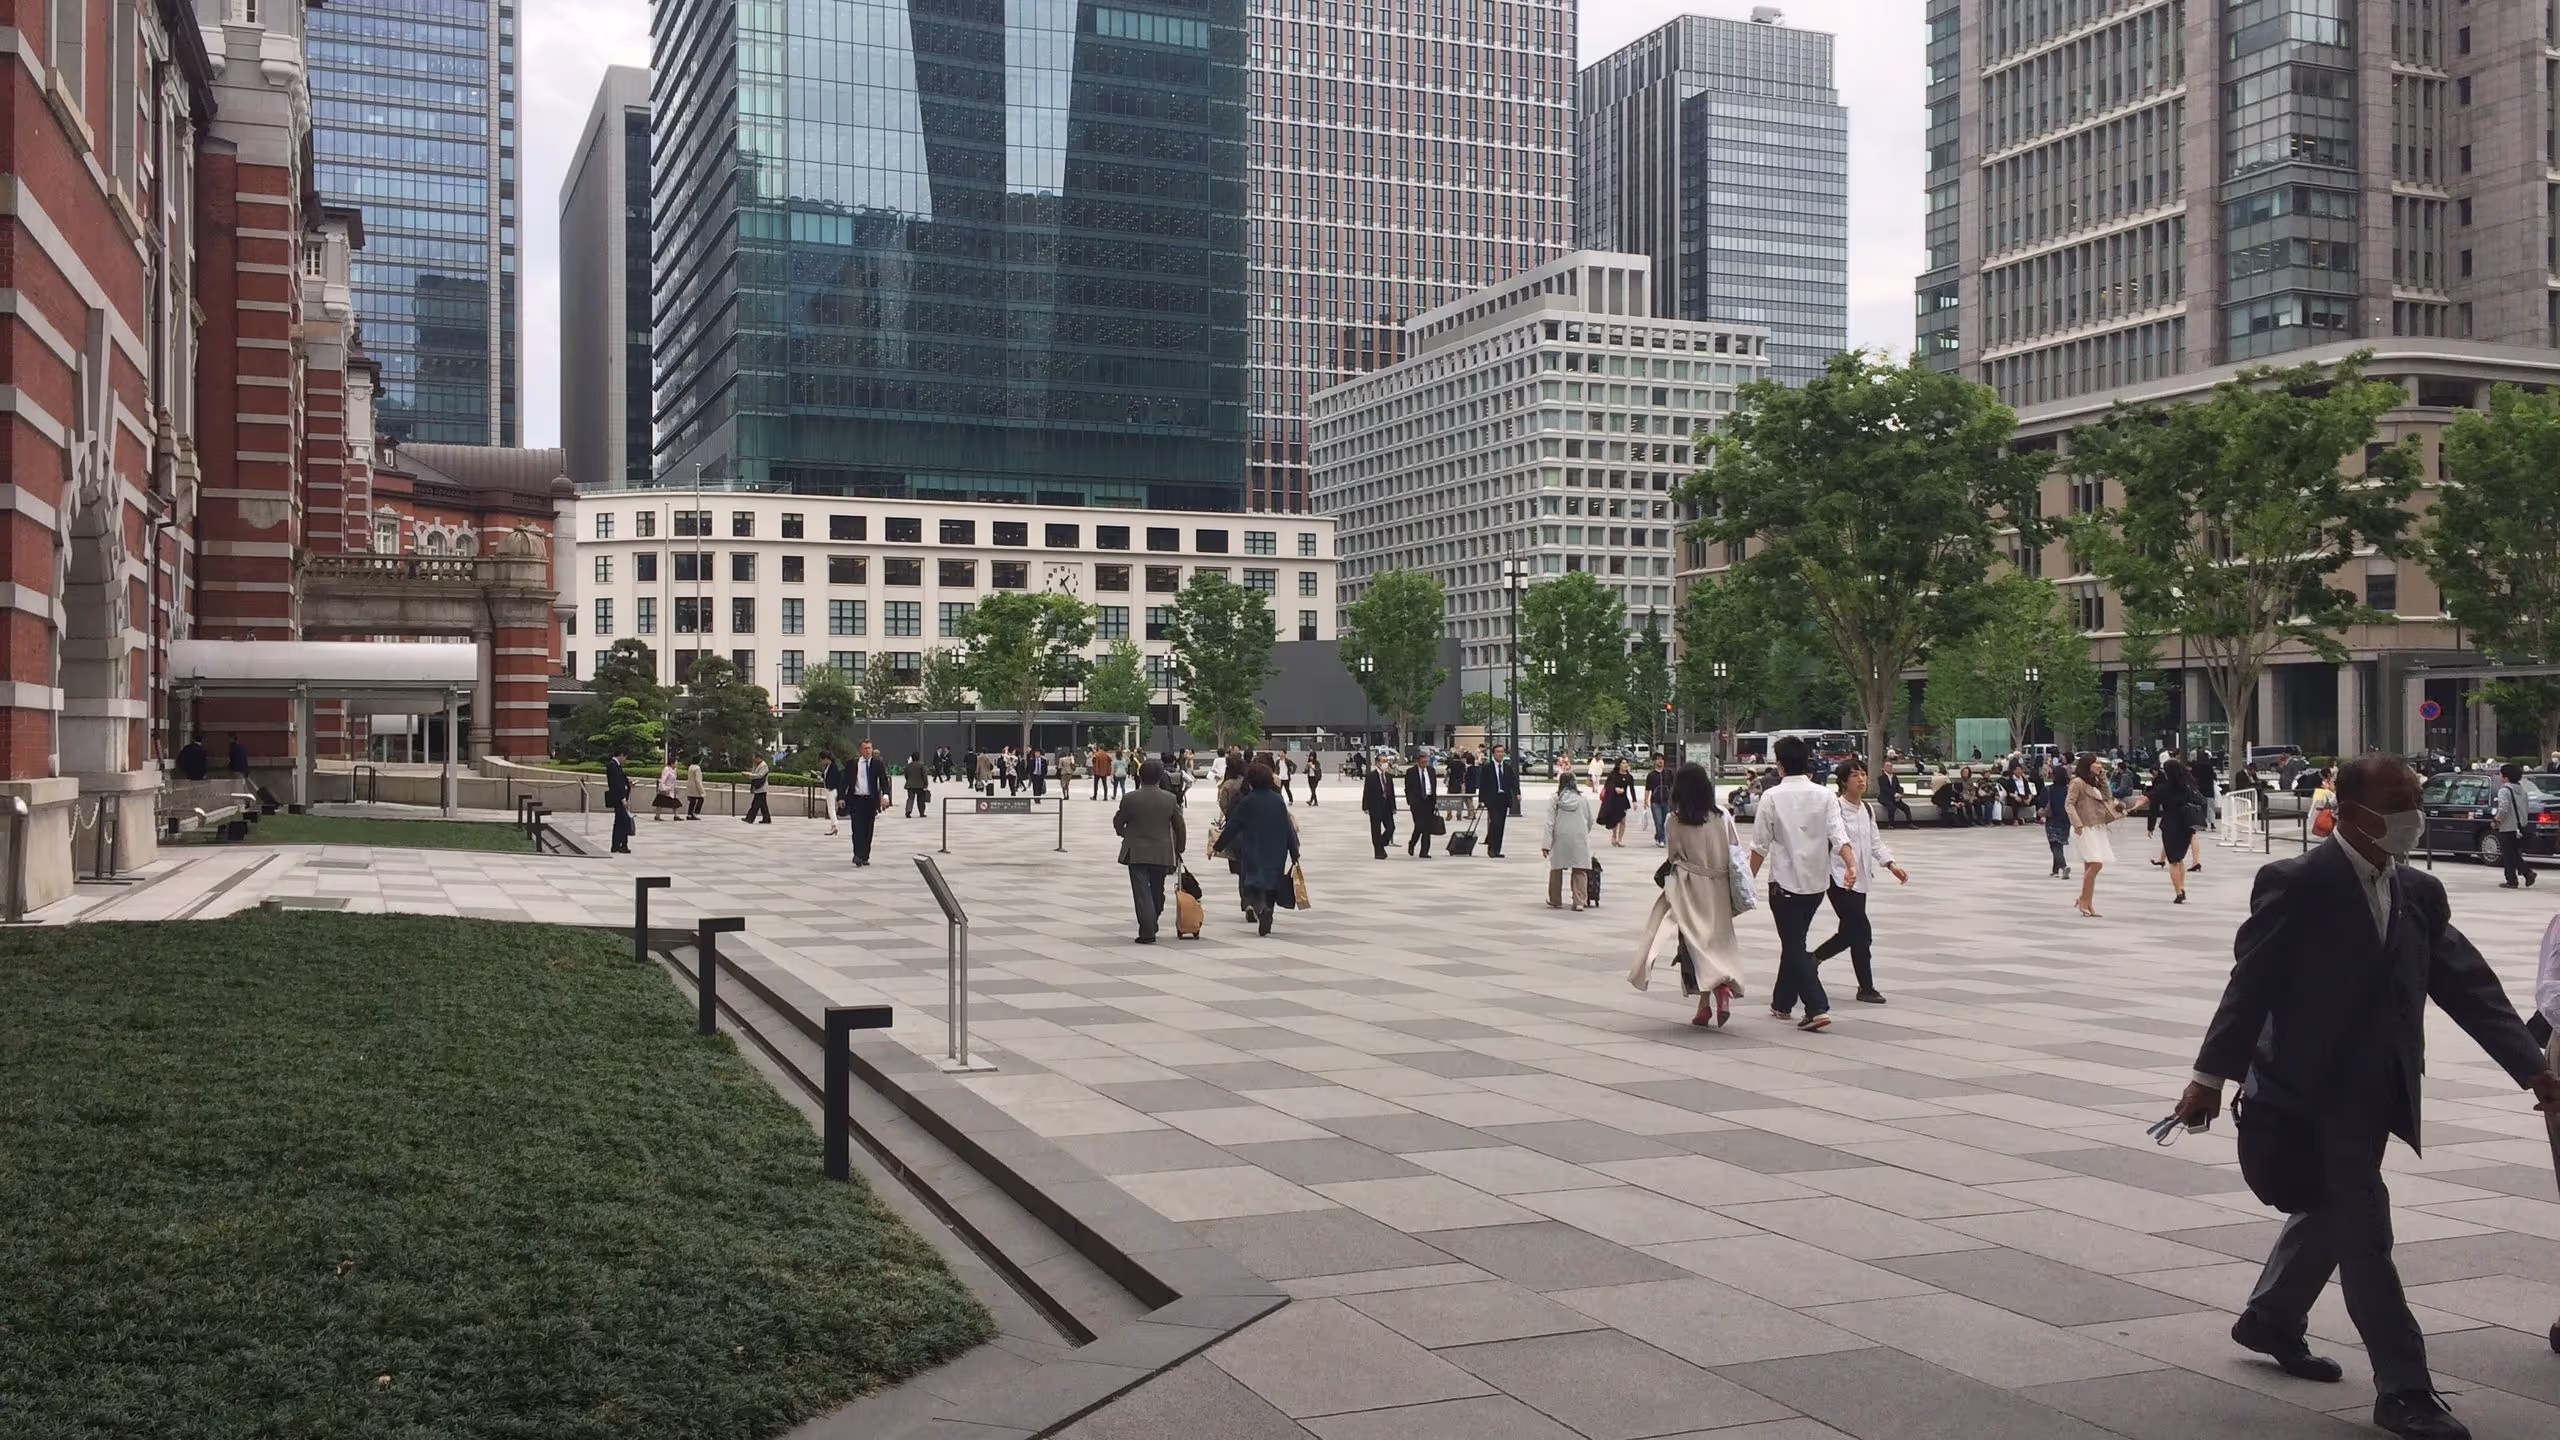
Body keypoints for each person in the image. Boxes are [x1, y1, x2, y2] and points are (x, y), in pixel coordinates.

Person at [2170, 756, 2560, 1440]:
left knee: (2330, 1211)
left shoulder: (2418, 890)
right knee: (2364, 1229)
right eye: (2398, 800)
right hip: (2305, 1090)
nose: (2414, 813)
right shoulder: (2298, 883)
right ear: (2350, 812)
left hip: (2378, 1090)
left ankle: (2270, 1317)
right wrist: (2208, 1078)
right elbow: (2250, 984)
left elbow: (2467, 984)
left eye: (2415, 797)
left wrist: (2533, 1069)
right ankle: (2404, 1390)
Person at [1748, 735, 1854, 1033]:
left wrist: (1743, 883)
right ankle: (1782, 1002)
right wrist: (1851, 864)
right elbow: (1839, 835)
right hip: (1816, 884)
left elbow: (1759, 847)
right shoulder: (1825, 795)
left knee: (1794, 944)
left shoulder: (1771, 797)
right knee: (1794, 940)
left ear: (1780, 766)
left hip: (1784, 884)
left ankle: (1816, 1006)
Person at [1632, 763, 1748, 1026]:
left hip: (1688, 887)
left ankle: (1713, 996)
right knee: (1717, 942)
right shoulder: (1722, 817)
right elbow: (1734, 851)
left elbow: (1673, 855)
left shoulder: (1674, 819)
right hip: (1718, 887)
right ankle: (1711, 999)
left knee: (1694, 944)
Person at [1811, 759, 1909, 1005]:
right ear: (1844, 781)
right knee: (1861, 932)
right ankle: (1866, 987)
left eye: (1864, 774)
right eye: (1855, 775)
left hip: (1861, 879)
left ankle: (1811, 960)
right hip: (1839, 878)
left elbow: (1875, 842)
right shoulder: (1835, 809)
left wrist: (1891, 864)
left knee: (1849, 933)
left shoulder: (1867, 809)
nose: (1861, 780)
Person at [1214, 763, 1299, 936]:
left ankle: (1261, 909)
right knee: (1272, 884)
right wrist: (1294, 850)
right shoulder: (1277, 800)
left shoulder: (1248, 801)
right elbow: (1287, 827)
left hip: (1254, 847)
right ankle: (1269, 912)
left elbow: (1233, 826)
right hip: (1277, 849)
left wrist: (1217, 846)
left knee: (1252, 885)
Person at [1113, 759, 1186, 943]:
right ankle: (1152, 918)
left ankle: (1147, 929)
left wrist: (1124, 833)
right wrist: (1180, 848)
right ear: (1160, 777)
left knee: (1141, 892)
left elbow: (1118, 821)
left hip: (1136, 851)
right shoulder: (1169, 799)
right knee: (1156, 889)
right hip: (1162, 850)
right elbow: (1180, 826)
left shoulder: (1130, 798)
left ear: (1140, 775)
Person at [2068, 754, 2138, 917]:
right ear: (2088, 765)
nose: (2099, 765)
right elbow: (2069, 804)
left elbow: (2107, 797)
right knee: (2096, 863)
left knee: (2090, 865)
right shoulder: (2077, 782)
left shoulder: (2096, 781)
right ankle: (2084, 900)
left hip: (2098, 825)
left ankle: (2087, 902)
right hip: (2084, 826)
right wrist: (2076, 823)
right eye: (2096, 763)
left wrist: (2103, 778)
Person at [2149, 758, 2204, 904]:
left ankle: (2178, 891)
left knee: (2173, 860)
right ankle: (2182, 887)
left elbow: (2154, 807)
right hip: (2186, 823)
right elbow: (2201, 801)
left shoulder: (2163, 788)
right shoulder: (2188, 786)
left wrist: (2150, 826)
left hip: (2169, 824)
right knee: (2179, 858)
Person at [1543, 770, 1597, 910]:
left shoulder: (1556, 799)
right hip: (1579, 836)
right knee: (1580, 869)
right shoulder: (1582, 799)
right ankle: (1579, 901)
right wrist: (1585, 832)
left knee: (1556, 869)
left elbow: (1550, 822)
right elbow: (1590, 820)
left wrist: (1546, 844)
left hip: (1560, 836)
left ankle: (1555, 899)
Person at [842, 741, 891, 866]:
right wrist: (841, 797)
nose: (868, 751)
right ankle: (858, 854)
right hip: (856, 799)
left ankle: (865, 856)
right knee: (857, 828)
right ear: (860, 750)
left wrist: (885, 796)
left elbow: (884, 781)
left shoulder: (877, 764)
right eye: (865, 748)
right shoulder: (852, 764)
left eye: (870, 748)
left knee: (868, 829)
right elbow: (844, 781)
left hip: (870, 800)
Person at [2494, 762, 2538, 889]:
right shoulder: (2522, 790)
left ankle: (2514, 879)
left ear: (2506, 777)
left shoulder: (2504, 790)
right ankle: (2525, 874)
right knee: (2513, 853)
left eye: (2500, 774)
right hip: (2520, 826)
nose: (2499, 776)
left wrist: (2497, 820)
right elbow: (2525, 808)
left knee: (2508, 854)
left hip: (2508, 826)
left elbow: (2503, 808)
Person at [1477, 744, 1519, 858]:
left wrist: (1517, 793)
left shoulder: (1507, 767)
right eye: (1498, 752)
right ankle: (1491, 849)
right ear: (1493, 754)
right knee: (1495, 822)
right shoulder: (1487, 768)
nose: (1500, 754)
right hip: (1492, 799)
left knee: (1500, 825)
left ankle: (1497, 850)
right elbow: (1483, 784)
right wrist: (1481, 800)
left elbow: (1513, 781)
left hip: (1503, 799)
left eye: (1502, 752)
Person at [1403, 747, 1442, 858]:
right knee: (1419, 825)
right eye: (1423, 761)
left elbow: (1433, 786)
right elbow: (1408, 788)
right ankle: (1412, 843)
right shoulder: (1411, 772)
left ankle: (1424, 851)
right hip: (1417, 802)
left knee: (1427, 828)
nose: (1425, 763)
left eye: (1427, 761)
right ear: (1418, 761)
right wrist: (1410, 801)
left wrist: (1434, 801)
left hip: (1429, 801)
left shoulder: (1431, 770)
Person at [2040, 758, 2074, 878]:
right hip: (2066, 820)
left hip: (2052, 820)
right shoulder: (2069, 790)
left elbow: (2042, 803)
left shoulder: (2048, 790)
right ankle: (2055, 870)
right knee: (2059, 845)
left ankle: (2064, 866)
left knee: (2055, 845)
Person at [1362, 754, 1400, 859]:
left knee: (1391, 827)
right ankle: (1378, 852)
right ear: (1378, 763)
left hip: (1387, 806)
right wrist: (1365, 806)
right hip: (1375, 806)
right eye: (1383, 761)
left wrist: (1393, 807)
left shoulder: (1388, 776)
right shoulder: (1371, 777)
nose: (1385, 763)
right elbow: (1366, 792)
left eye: (1386, 761)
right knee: (1376, 830)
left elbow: (1391, 792)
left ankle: (1381, 843)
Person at [604, 747, 635, 853]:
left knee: (620, 821)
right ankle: (621, 844)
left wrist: (628, 783)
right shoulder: (613, 766)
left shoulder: (616, 765)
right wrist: (623, 798)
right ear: (621, 755)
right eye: (625, 757)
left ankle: (617, 845)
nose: (625, 760)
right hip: (618, 798)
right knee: (623, 821)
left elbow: (621, 780)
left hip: (619, 797)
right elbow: (616, 784)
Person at [1598, 759, 1634, 846]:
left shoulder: (1629, 776)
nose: (1625, 765)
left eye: (1626, 763)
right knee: (1615, 819)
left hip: (1623, 800)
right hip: (1613, 799)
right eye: (1623, 763)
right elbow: (1607, 785)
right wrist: (1615, 789)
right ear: (1619, 765)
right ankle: (1614, 835)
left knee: (1623, 820)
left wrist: (1635, 801)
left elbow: (1632, 789)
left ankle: (1620, 839)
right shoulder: (1613, 775)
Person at [1875, 762, 1913, 828]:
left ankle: (1910, 823)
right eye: (1887, 766)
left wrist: (1900, 794)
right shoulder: (1881, 778)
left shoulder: (1894, 777)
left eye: (1891, 766)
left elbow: (1898, 787)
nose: (1889, 767)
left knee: (1906, 807)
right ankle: (1891, 824)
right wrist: (1895, 794)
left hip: (1895, 798)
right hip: (1885, 797)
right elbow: (1884, 789)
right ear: (1883, 768)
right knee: (1892, 807)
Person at [1645, 761, 1672, 846]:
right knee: (1658, 821)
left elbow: (1673, 786)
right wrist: (1645, 800)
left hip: (1666, 801)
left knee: (1664, 821)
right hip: (1655, 802)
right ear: (1654, 762)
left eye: (1662, 759)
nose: (1660, 761)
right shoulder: (1651, 775)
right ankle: (1662, 840)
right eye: (1658, 759)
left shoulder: (1668, 773)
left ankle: (1658, 835)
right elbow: (1647, 788)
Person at [741, 754, 773, 824]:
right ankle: (766, 819)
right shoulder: (757, 765)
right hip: (759, 788)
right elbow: (754, 774)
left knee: (755, 804)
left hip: (761, 788)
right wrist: (748, 774)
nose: (753, 760)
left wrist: (748, 775)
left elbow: (760, 775)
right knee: (763, 805)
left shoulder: (763, 765)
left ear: (758, 758)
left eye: (754, 758)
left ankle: (750, 818)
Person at [819, 750, 843, 835]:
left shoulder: (833, 767)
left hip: (831, 790)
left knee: (831, 809)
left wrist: (830, 786)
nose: (821, 761)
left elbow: (835, 779)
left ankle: (835, 825)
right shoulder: (829, 766)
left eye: (822, 759)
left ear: (826, 758)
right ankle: (833, 825)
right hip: (830, 789)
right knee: (831, 808)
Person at [904, 752, 931, 818]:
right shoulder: (921, 766)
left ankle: (908, 811)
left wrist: (909, 780)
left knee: (910, 799)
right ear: (918, 758)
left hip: (910, 785)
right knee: (921, 799)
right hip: (920, 785)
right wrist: (926, 784)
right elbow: (924, 775)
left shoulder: (908, 766)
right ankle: (922, 812)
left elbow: (906, 775)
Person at [654, 756, 681, 821]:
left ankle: (676, 816)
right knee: (660, 803)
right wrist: (664, 788)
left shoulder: (674, 770)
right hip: (666, 789)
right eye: (676, 762)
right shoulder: (666, 769)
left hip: (672, 790)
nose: (677, 764)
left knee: (675, 803)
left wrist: (675, 788)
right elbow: (663, 779)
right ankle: (657, 816)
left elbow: (674, 780)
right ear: (672, 763)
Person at [685, 756, 706, 820]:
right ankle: (695, 813)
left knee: (692, 801)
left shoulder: (690, 767)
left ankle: (689, 814)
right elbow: (698, 780)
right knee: (701, 799)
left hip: (690, 786)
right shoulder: (697, 768)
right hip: (695, 787)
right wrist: (702, 790)